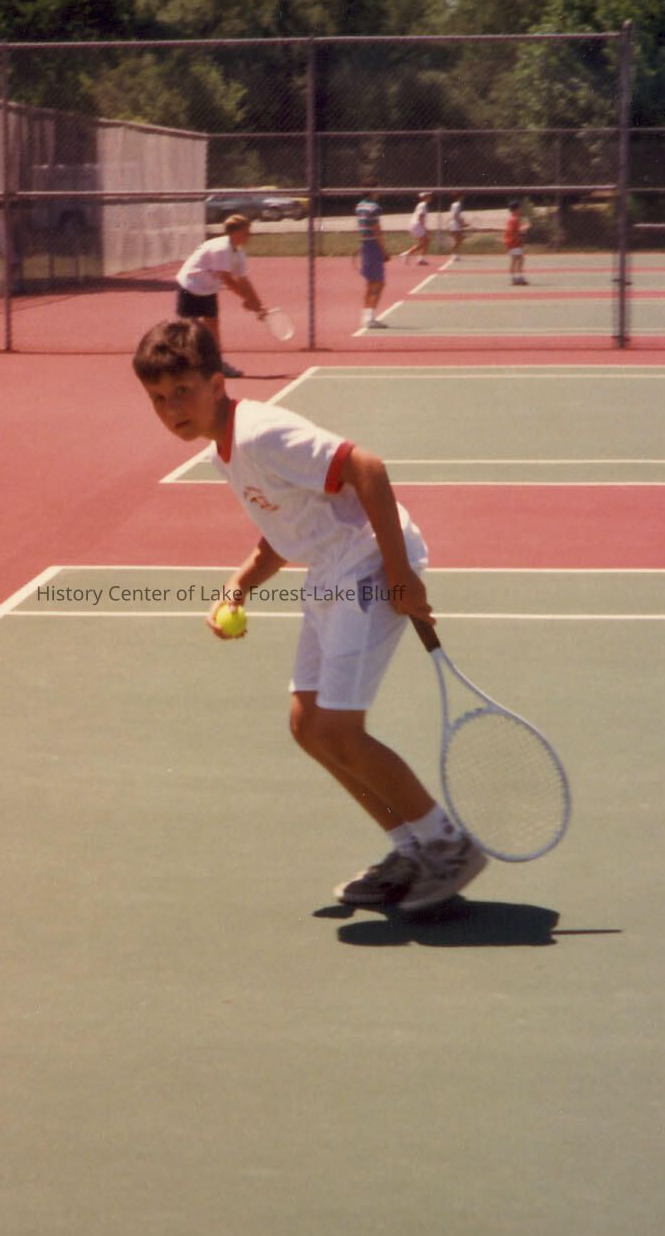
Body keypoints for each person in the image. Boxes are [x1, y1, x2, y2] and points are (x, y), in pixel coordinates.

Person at [132, 317, 488, 912]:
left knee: (340, 730)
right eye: (158, 399)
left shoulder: (260, 433)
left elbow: (366, 467)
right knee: (308, 726)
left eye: (182, 392)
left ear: (217, 385)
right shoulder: (224, 451)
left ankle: (448, 846)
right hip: (331, 570)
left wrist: (400, 573)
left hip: (366, 563)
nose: (172, 409)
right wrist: (240, 586)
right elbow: (284, 533)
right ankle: (409, 848)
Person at [175, 214, 266, 379]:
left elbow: (243, 280)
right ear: (235, 233)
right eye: (246, 232)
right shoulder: (221, 248)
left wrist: (258, 305)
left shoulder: (238, 253)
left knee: (213, 327)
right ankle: (180, 367)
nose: (249, 235)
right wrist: (247, 300)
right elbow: (228, 280)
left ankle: (216, 365)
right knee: (187, 329)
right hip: (189, 286)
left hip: (208, 289)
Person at [353, 183, 389, 328]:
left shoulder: (359, 206)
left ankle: (367, 317)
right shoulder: (374, 207)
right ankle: (369, 318)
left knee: (370, 283)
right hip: (373, 245)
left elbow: (364, 228)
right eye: (377, 188)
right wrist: (384, 251)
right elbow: (376, 230)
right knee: (379, 283)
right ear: (372, 190)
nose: (379, 191)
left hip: (365, 245)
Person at [402, 191, 432, 265]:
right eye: (429, 195)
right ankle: (408, 254)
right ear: (425, 197)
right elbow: (420, 217)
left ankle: (418, 258)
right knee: (425, 242)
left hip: (416, 225)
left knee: (425, 242)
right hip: (417, 225)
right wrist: (425, 228)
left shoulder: (422, 204)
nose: (430, 197)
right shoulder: (423, 204)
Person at [505, 200, 528, 285]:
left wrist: (523, 230)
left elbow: (516, 230)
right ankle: (517, 278)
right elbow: (512, 231)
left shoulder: (513, 218)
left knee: (516, 260)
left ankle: (515, 278)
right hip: (514, 243)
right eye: (519, 208)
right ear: (516, 209)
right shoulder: (514, 219)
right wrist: (519, 237)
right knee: (519, 259)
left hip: (512, 242)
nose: (520, 210)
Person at [447, 194, 468, 260]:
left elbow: (457, 216)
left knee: (459, 239)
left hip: (455, 224)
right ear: (459, 197)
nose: (463, 198)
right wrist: (462, 223)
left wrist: (463, 223)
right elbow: (455, 215)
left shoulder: (455, 205)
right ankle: (453, 254)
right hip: (454, 225)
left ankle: (455, 254)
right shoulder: (457, 205)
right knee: (457, 240)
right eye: (462, 197)